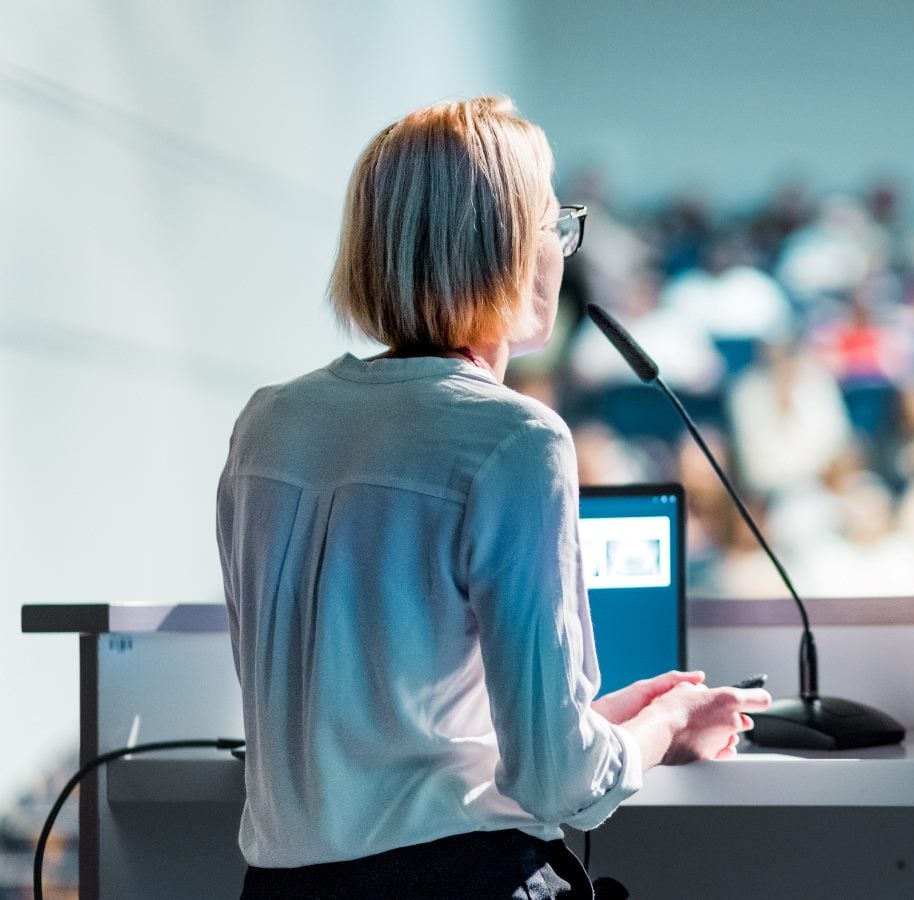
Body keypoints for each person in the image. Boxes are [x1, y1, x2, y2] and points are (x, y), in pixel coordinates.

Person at [216, 96, 770, 899]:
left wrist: (601, 719)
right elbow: (560, 785)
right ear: (505, 247)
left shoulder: (269, 424)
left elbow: (392, 737)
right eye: (555, 223)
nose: (563, 249)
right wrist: (665, 727)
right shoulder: (516, 441)